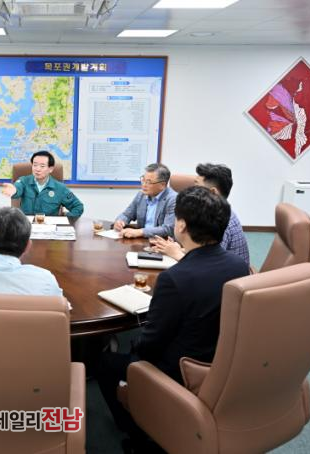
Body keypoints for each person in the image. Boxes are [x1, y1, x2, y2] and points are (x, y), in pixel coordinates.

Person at [97, 186, 249, 450]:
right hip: (222, 360)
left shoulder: (175, 279)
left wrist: (134, 349)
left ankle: (136, 429)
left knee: (104, 362)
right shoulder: (239, 265)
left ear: (181, 225)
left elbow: (152, 342)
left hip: (179, 369)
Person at [150, 163, 250, 266]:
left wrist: (176, 253)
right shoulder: (213, 214)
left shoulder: (221, 222)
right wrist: (177, 249)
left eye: (197, 186)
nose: (193, 190)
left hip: (228, 274)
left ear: (213, 192)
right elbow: (203, 252)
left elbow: (209, 264)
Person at [1, 151, 84, 217]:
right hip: (26, 227)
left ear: (50, 169)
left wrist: (65, 219)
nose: (37, 169)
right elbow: (17, 188)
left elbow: (78, 207)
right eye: (35, 165)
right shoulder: (23, 181)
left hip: (49, 228)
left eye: (42, 166)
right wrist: (14, 190)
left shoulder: (60, 188)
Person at [114, 163, 177, 239]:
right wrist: (120, 221)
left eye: (148, 182)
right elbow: (126, 215)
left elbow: (168, 229)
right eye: (143, 180)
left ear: (162, 185)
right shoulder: (141, 195)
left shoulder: (173, 199)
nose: (144, 185)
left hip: (162, 242)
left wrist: (141, 232)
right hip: (142, 240)